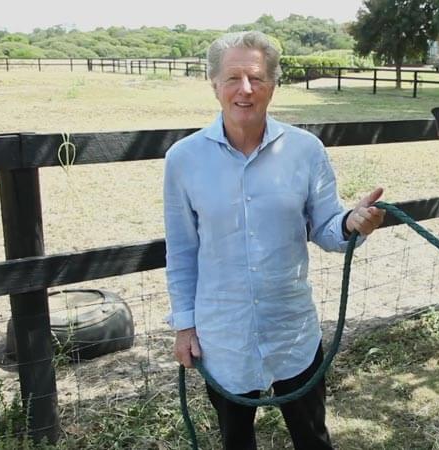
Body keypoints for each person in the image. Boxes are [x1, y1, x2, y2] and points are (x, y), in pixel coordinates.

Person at [163, 31, 385, 450]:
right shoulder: (183, 159)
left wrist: (351, 224)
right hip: (223, 336)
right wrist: (185, 326)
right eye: (233, 78)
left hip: (292, 331)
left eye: (257, 78)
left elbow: (327, 226)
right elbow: (182, 250)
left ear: (274, 85)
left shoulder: (305, 151)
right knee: (235, 441)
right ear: (214, 84)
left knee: (313, 438)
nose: (245, 89)